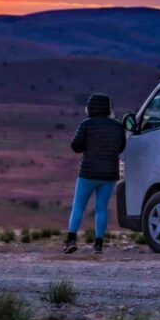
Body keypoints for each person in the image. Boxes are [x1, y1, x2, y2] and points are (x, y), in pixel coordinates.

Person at [64, 93, 126, 255]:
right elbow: (120, 148)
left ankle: (71, 240)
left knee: (78, 205)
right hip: (109, 174)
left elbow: (75, 146)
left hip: (88, 173)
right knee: (101, 208)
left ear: (90, 108)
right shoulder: (117, 126)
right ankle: (98, 245)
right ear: (108, 108)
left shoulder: (86, 125)